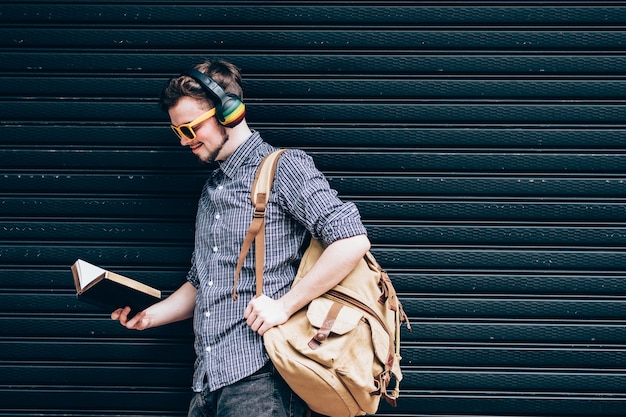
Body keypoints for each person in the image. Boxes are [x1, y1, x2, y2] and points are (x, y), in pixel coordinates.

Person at [111, 59, 370, 417]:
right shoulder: (211, 190)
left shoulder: (284, 167)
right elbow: (202, 283)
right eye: (177, 132)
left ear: (229, 113)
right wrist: (149, 316)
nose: (185, 141)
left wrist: (284, 306)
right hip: (207, 382)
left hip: (262, 378)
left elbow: (352, 240)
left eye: (191, 128)